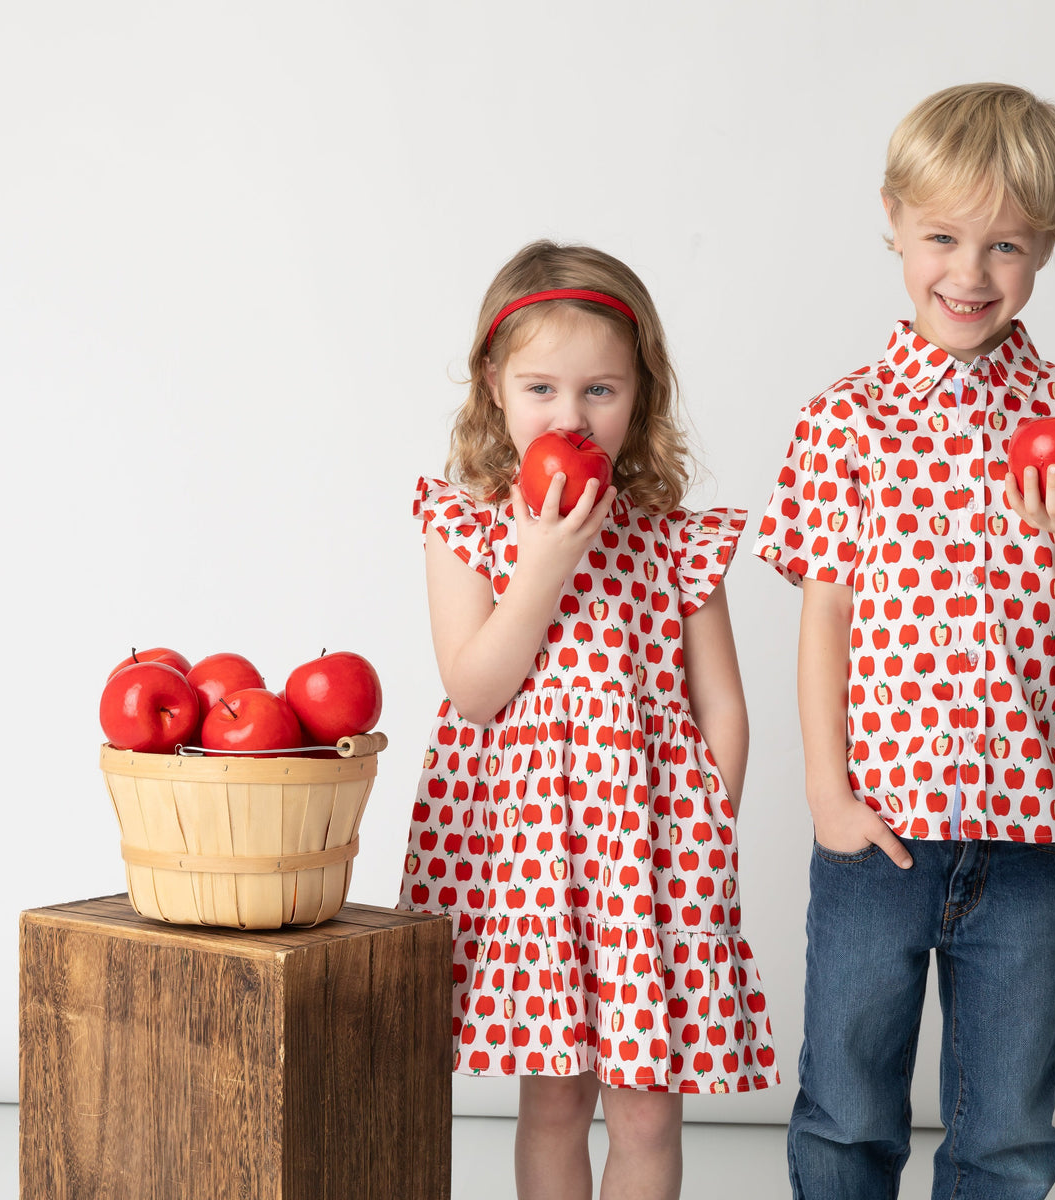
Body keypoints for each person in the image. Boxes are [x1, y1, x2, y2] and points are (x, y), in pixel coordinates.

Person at [754, 83, 1055, 1199]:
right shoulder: (845, 418)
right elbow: (825, 615)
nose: (970, 273)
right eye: (942, 236)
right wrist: (829, 795)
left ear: (1049, 245)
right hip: (876, 835)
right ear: (892, 219)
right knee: (846, 1109)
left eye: (1007, 246)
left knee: (1010, 1127)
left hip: (1027, 841)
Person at [400, 240, 779, 1200]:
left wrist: (705, 828)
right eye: (541, 389)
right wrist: (542, 564)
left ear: (641, 392)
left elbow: (722, 703)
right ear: (493, 386)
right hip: (533, 856)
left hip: (652, 853)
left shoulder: (671, 536)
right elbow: (477, 690)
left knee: (650, 1103)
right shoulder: (468, 526)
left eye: (601, 392)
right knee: (557, 1100)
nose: (571, 417)